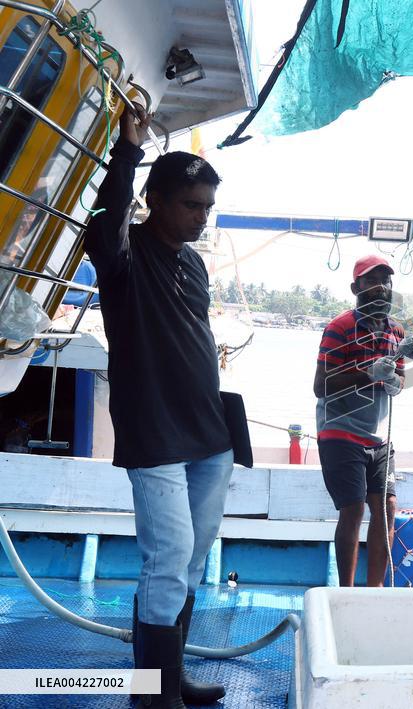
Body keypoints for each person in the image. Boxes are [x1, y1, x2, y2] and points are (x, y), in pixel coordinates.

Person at [84, 107, 232, 707]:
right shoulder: (123, 256)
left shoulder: (194, 263)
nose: (201, 217)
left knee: (192, 559)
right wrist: (127, 150)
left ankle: (169, 682)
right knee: (167, 558)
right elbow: (101, 224)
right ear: (156, 200)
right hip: (155, 430)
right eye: (191, 205)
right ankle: (152, 694)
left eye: (207, 207)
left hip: (210, 432)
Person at [313, 255, 413, 588]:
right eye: (372, 281)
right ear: (355, 288)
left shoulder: (397, 332)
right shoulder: (341, 327)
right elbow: (321, 385)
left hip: (378, 438)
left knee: (388, 507)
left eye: (386, 282)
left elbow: (400, 379)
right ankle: (346, 593)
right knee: (354, 509)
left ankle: (374, 590)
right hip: (340, 431)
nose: (381, 288)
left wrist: (394, 381)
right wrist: (367, 374)